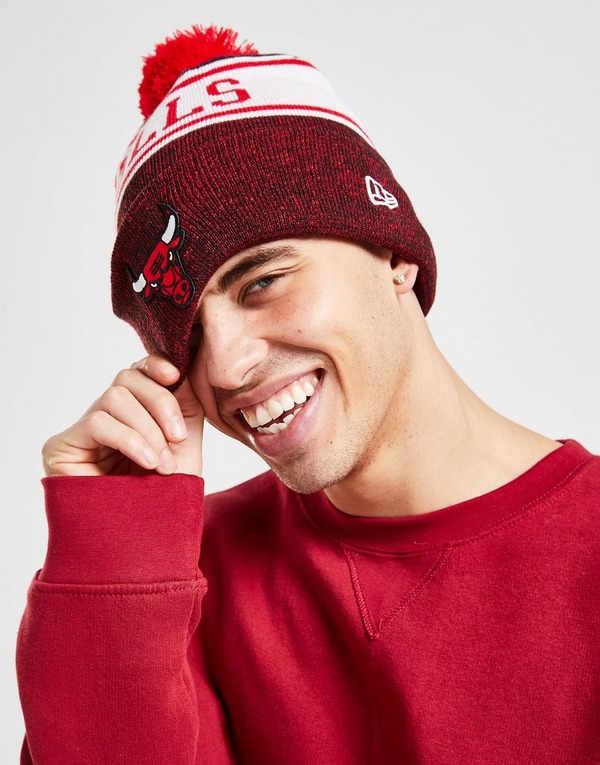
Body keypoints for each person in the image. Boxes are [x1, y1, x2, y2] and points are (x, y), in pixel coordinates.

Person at [16, 24, 600, 765]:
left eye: (262, 282)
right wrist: (114, 557)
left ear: (393, 252)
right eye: (187, 334)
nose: (225, 367)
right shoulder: (184, 575)